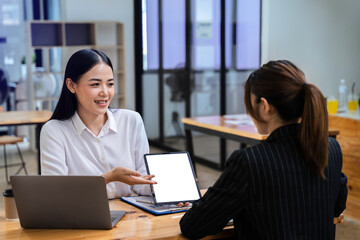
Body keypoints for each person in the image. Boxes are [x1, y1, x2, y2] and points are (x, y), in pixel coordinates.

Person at [180, 60, 348, 239]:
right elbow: (336, 206)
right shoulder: (331, 149)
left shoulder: (249, 162)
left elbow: (193, 225)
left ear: (265, 106)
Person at [40, 49, 156, 199]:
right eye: (95, 84)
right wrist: (109, 177)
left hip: (129, 216)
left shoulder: (131, 120)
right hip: (80, 216)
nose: (105, 92)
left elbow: (142, 179)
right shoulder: (54, 131)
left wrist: (166, 191)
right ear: (71, 85)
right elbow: (55, 193)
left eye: (110, 84)